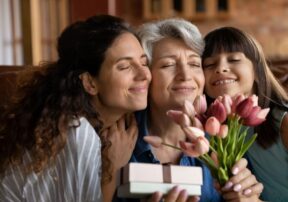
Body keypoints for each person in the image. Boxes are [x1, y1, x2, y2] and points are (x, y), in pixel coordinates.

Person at [0, 15, 151, 202]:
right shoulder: (75, 133)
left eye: (144, 62)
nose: (144, 74)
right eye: (125, 66)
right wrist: (111, 169)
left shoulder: (96, 128)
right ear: (90, 82)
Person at [114, 19, 262, 202]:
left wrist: (250, 199)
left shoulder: (223, 141)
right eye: (168, 65)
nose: (185, 76)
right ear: (146, 76)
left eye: (194, 64)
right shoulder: (117, 141)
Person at [202, 26, 288, 201]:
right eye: (209, 64)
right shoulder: (216, 128)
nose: (220, 68)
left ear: (257, 71)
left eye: (234, 59)